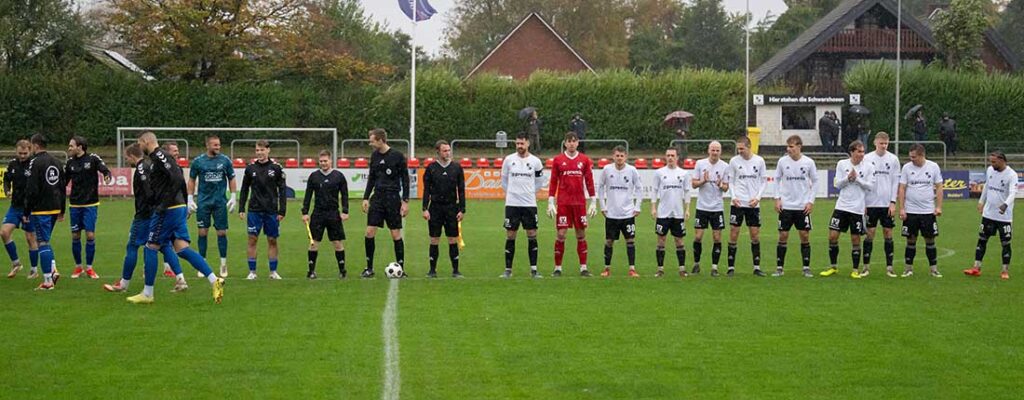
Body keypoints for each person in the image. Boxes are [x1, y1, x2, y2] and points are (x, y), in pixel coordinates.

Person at [131, 131, 224, 304]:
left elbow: (176, 178)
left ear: (146, 141)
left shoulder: (159, 155)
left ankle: (148, 293)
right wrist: (183, 202)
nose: (139, 147)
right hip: (176, 207)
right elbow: (178, 179)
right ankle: (214, 280)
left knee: (150, 247)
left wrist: (164, 204)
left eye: (140, 143)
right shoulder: (158, 158)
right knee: (182, 249)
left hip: (169, 210)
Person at [103, 144, 188, 293]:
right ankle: (180, 279)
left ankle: (124, 283)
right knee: (164, 246)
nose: (126, 159)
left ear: (131, 156)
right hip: (157, 214)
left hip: (144, 215)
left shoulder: (142, 168)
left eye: (126, 157)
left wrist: (150, 206)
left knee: (132, 246)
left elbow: (149, 191)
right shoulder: (150, 164)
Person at [821, 141, 874, 278]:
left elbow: (870, 186)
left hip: (857, 209)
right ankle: (833, 267)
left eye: (863, 151)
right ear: (852, 152)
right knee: (832, 236)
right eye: (859, 151)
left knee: (855, 239)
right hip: (841, 206)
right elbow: (837, 184)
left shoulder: (868, 167)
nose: (862, 154)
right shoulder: (842, 164)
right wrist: (848, 178)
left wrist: (857, 180)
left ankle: (855, 270)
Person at [361, 128, 410, 278]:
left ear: (381, 140)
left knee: (395, 234)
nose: (371, 144)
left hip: (393, 198)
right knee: (369, 232)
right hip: (377, 198)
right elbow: (371, 178)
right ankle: (369, 268)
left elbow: (405, 179)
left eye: (372, 141)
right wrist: (365, 197)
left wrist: (405, 201)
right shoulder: (374, 156)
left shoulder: (397, 156)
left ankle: (400, 268)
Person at [547, 132, 597, 277]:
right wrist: (551, 201)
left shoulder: (584, 160)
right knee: (561, 234)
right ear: (565, 143)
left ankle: (583, 268)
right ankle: (557, 268)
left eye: (574, 141)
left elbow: (589, 181)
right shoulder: (558, 160)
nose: (571, 144)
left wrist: (593, 201)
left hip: (579, 203)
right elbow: (553, 181)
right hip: (563, 203)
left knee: (581, 234)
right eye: (569, 141)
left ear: (578, 143)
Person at [188, 135, 237, 278]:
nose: (218, 147)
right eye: (215, 145)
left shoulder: (225, 161)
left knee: (221, 233)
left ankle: (223, 264)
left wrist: (233, 196)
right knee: (202, 232)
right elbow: (191, 180)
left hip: (220, 202)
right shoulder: (198, 162)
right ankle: (202, 265)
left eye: (219, 145)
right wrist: (190, 198)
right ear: (207, 145)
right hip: (203, 202)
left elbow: (232, 178)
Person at [238, 140, 287, 280]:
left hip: (271, 210)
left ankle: (273, 272)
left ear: (268, 150)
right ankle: (252, 272)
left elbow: (282, 190)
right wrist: (241, 207)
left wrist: (282, 210)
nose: (259, 153)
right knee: (252, 239)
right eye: (257, 150)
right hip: (254, 210)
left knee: (272, 240)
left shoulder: (276, 168)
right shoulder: (250, 168)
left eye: (262, 150)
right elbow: (244, 189)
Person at [22, 134, 65, 290]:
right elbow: (62, 187)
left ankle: (48, 281)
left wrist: (26, 211)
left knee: (42, 242)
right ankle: (53, 271)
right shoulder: (57, 162)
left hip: (41, 209)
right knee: (45, 240)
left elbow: (31, 189)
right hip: (54, 208)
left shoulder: (35, 162)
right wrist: (62, 209)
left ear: (36, 146)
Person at [64, 135, 112, 279]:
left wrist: (107, 175)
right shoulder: (69, 163)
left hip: (90, 203)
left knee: (90, 235)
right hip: (75, 204)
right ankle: (78, 267)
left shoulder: (93, 158)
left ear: (80, 147)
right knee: (75, 235)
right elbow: (63, 182)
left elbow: (105, 169)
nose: (69, 148)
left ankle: (90, 268)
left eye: (71, 146)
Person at [500, 132, 546, 278]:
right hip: (512, 204)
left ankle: (534, 269)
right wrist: (513, 193)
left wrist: (530, 192)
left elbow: (540, 182)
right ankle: (508, 270)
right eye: (517, 143)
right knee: (511, 234)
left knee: (532, 234)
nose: (520, 146)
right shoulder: (508, 160)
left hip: (529, 204)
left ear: (528, 144)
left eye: (522, 143)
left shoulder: (536, 162)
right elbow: (504, 181)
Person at [964, 151, 1015, 280]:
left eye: (994, 162)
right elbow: (987, 186)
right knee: (982, 240)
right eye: (990, 162)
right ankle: (976, 267)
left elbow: (1013, 192)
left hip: (1004, 216)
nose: (991, 164)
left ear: (1002, 160)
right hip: (988, 214)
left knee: (1005, 243)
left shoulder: (1011, 174)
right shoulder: (990, 171)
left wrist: (1005, 205)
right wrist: (981, 201)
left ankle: (1004, 270)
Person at [773, 135, 818, 278]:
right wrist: (777, 199)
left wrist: (811, 201)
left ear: (799, 147)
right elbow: (776, 179)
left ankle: (806, 267)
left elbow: (815, 182)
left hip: (802, 206)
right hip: (786, 206)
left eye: (791, 146)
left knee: (804, 235)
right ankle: (779, 268)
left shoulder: (809, 162)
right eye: (787, 146)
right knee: (783, 235)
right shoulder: (782, 161)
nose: (788, 149)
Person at [897, 143, 944, 278]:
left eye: (914, 157)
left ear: (922, 155)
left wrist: (939, 206)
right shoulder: (906, 168)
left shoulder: (933, 167)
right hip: (911, 211)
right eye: (910, 157)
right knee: (910, 240)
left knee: (930, 240)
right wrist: (902, 208)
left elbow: (939, 187)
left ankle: (934, 269)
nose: (912, 159)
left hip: (928, 212)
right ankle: (908, 269)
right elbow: (902, 188)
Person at [302, 150, 349, 280]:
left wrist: (345, 211)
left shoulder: (338, 176)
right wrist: (305, 212)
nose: (323, 163)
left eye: (325, 161)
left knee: (337, 242)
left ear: (330, 160)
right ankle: (311, 271)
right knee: (313, 243)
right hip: (318, 213)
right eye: (321, 161)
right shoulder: (314, 176)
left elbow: (344, 194)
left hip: (333, 213)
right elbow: (308, 195)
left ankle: (342, 270)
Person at [421, 140, 466, 278]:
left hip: (452, 207)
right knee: (434, 239)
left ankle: (456, 270)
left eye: (448, 150)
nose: (448, 153)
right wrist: (425, 208)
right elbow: (426, 190)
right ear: (438, 152)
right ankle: (432, 270)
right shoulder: (431, 168)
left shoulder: (456, 168)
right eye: (444, 150)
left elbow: (461, 190)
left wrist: (462, 209)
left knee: (452, 239)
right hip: (435, 208)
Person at [597, 145, 642, 277]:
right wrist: (603, 206)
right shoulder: (607, 169)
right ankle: (607, 268)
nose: (619, 158)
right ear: (613, 156)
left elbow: (639, 188)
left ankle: (632, 269)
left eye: (622, 156)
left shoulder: (632, 170)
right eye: (617, 156)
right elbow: (600, 188)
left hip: (627, 213)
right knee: (609, 241)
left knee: (630, 240)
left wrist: (637, 206)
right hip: (611, 213)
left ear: (626, 157)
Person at [727, 136, 767, 277]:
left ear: (749, 146)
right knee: (733, 233)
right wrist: (734, 197)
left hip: (753, 205)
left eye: (742, 148)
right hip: (737, 203)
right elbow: (731, 181)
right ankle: (730, 267)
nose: (739, 151)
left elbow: (763, 182)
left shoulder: (759, 161)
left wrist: (757, 198)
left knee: (755, 235)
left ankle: (756, 267)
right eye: (738, 148)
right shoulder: (734, 161)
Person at [862, 132, 900, 277]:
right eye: (881, 143)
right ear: (875, 143)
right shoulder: (867, 158)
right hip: (870, 203)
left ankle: (889, 268)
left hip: (886, 204)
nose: (883, 146)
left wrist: (893, 202)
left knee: (888, 233)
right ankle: (866, 267)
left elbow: (895, 182)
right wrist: (863, 202)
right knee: (870, 234)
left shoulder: (893, 159)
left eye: (886, 143)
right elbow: (863, 181)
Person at [690, 141, 730, 276]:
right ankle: (696, 264)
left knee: (717, 237)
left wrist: (720, 185)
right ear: (708, 150)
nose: (715, 153)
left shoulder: (725, 166)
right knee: (698, 236)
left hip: (717, 208)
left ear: (721, 152)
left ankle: (714, 267)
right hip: (702, 206)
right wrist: (703, 181)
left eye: (717, 150)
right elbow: (694, 184)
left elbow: (726, 187)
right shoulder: (700, 164)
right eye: (713, 150)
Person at [651, 148, 691, 278]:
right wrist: (653, 207)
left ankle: (682, 269)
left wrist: (687, 209)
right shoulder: (659, 173)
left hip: (678, 213)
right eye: (668, 155)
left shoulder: (683, 173)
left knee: (679, 241)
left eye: (672, 155)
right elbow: (654, 191)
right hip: (663, 213)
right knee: (661, 240)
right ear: (665, 157)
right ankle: (660, 269)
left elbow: (687, 192)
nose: (670, 158)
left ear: (677, 157)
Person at [3, 140, 39, 279]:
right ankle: (16, 263)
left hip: (29, 208)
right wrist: (7, 190)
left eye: (25, 153)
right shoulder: (13, 164)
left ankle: (34, 269)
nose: (22, 156)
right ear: (16, 151)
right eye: (20, 153)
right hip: (15, 206)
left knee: (30, 238)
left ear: (30, 151)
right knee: (4, 232)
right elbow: (6, 180)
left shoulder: (34, 164)